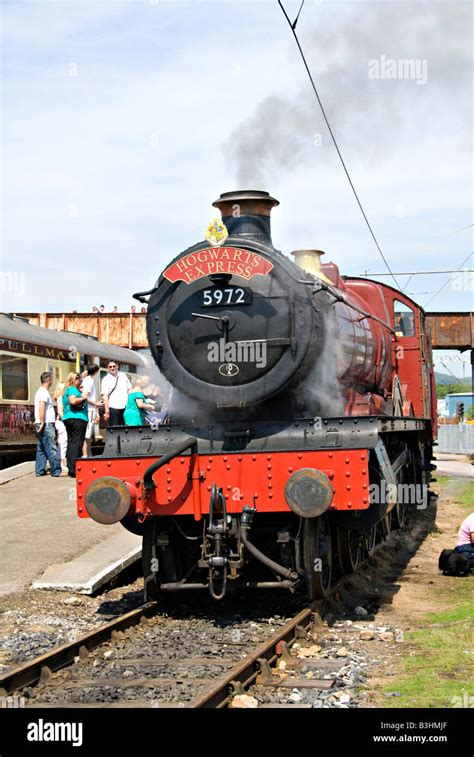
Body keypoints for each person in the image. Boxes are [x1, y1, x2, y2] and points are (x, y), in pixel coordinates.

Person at [34, 372, 63, 477]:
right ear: (49, 380)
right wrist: (42, 422)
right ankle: (56, 470)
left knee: (41, 448)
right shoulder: (43, 393)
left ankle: (40, 470)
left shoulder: (39, 391)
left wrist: (38, 421)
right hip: (45, 423)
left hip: (40, 422)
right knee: (51, 447)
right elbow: (42, 406)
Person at [62, 372, 88, 478]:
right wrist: (83, 397)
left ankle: (71, 468)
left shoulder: (67, 390)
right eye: (80, 380)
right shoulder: (72, 389)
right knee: (77, 443)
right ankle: (74, 470)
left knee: (72, 442)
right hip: (77, 418)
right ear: (74, 379)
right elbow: (73, 401)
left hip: (69, 418)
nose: (81, 382)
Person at [81, 364, 103, 457]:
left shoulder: (86, 380)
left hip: (90, 409)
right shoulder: (89, 381)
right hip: (89, 410)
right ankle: (86, 455)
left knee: (88, 435)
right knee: (87, 434)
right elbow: (85, 397)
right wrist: (96, 404)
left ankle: (89, 454)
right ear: (96, 372)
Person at [101, 361, 131, 426]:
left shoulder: (123, 375)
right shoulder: (105, 379)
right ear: (108, 368)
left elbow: (129, 390)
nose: (112, 368)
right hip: (113, 408)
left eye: (114, 366)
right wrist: (107, 411)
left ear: (117, 366)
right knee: (115, 429)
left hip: (125, 407)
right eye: (110, 367)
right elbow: (105, 396)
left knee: (125, 429)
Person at [53, 382, 68, 471]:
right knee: (62, 442)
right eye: (64, 388)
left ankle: (62, 461)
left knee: (63, 442)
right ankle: (61, 462)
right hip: (61, 422)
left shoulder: (62, 398)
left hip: (62, 422)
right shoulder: (60, 399)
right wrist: (66, 420)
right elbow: (60, 411)